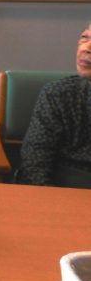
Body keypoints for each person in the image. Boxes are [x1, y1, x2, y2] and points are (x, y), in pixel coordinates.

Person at [18, 22, 91, 188]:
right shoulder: (59, 94)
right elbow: (35, 160)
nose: (87, 48)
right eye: (85, 37)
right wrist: (48, 199)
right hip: (64, 185)